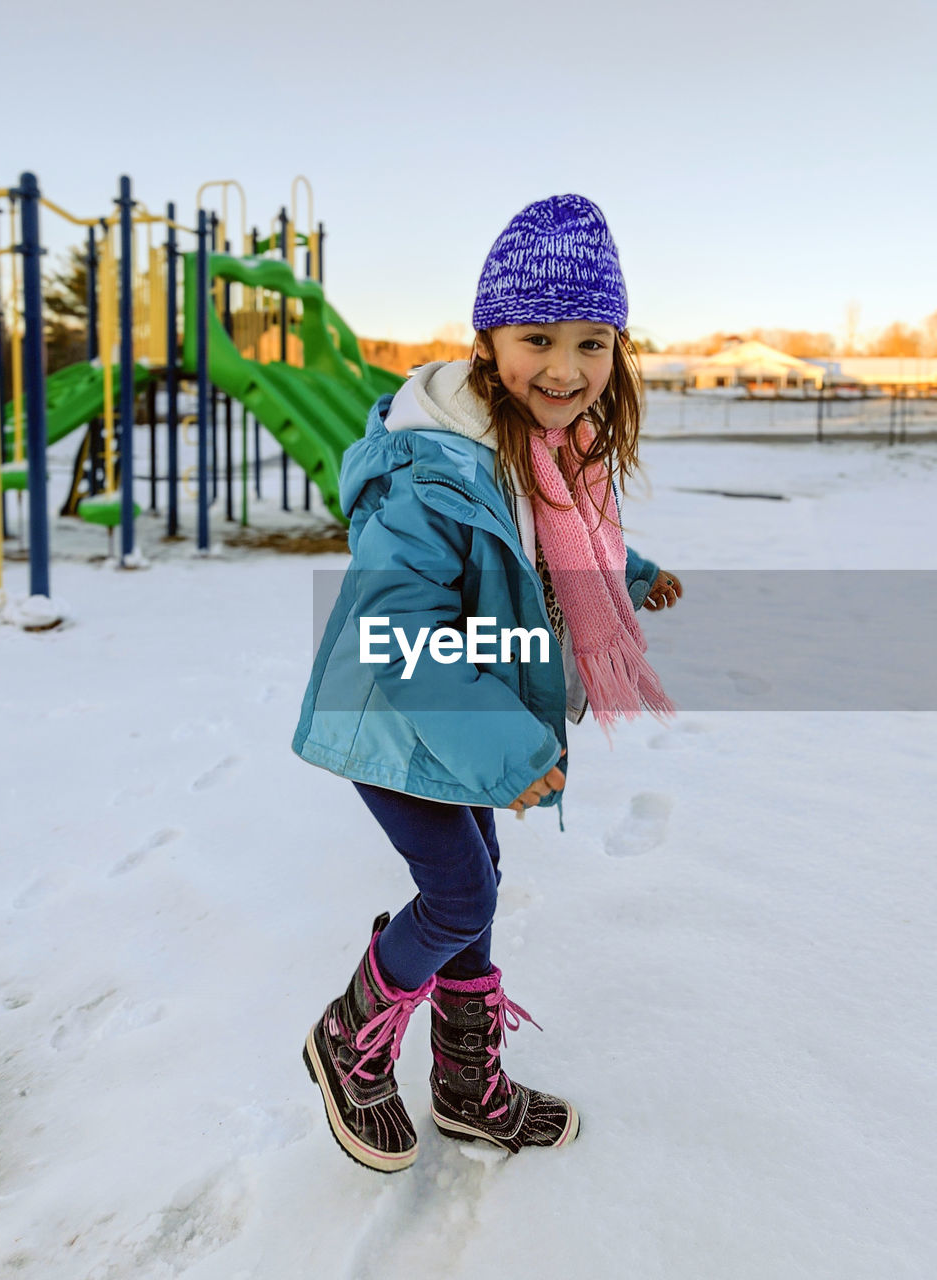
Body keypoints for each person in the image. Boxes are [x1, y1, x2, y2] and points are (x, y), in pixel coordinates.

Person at [293, 195, 682, 1173]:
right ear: (488, 338)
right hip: (393, 716)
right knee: (459, 895)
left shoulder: (550, 453)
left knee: (479, 888)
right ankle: (347, 1037)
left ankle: (466, 1088)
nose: (566, 367)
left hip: (465, 716)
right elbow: (393, 634)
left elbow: (551, 555)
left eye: (592, 341)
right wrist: (508, 750)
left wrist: (631, 575)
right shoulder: (433, 470)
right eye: (538, 336)